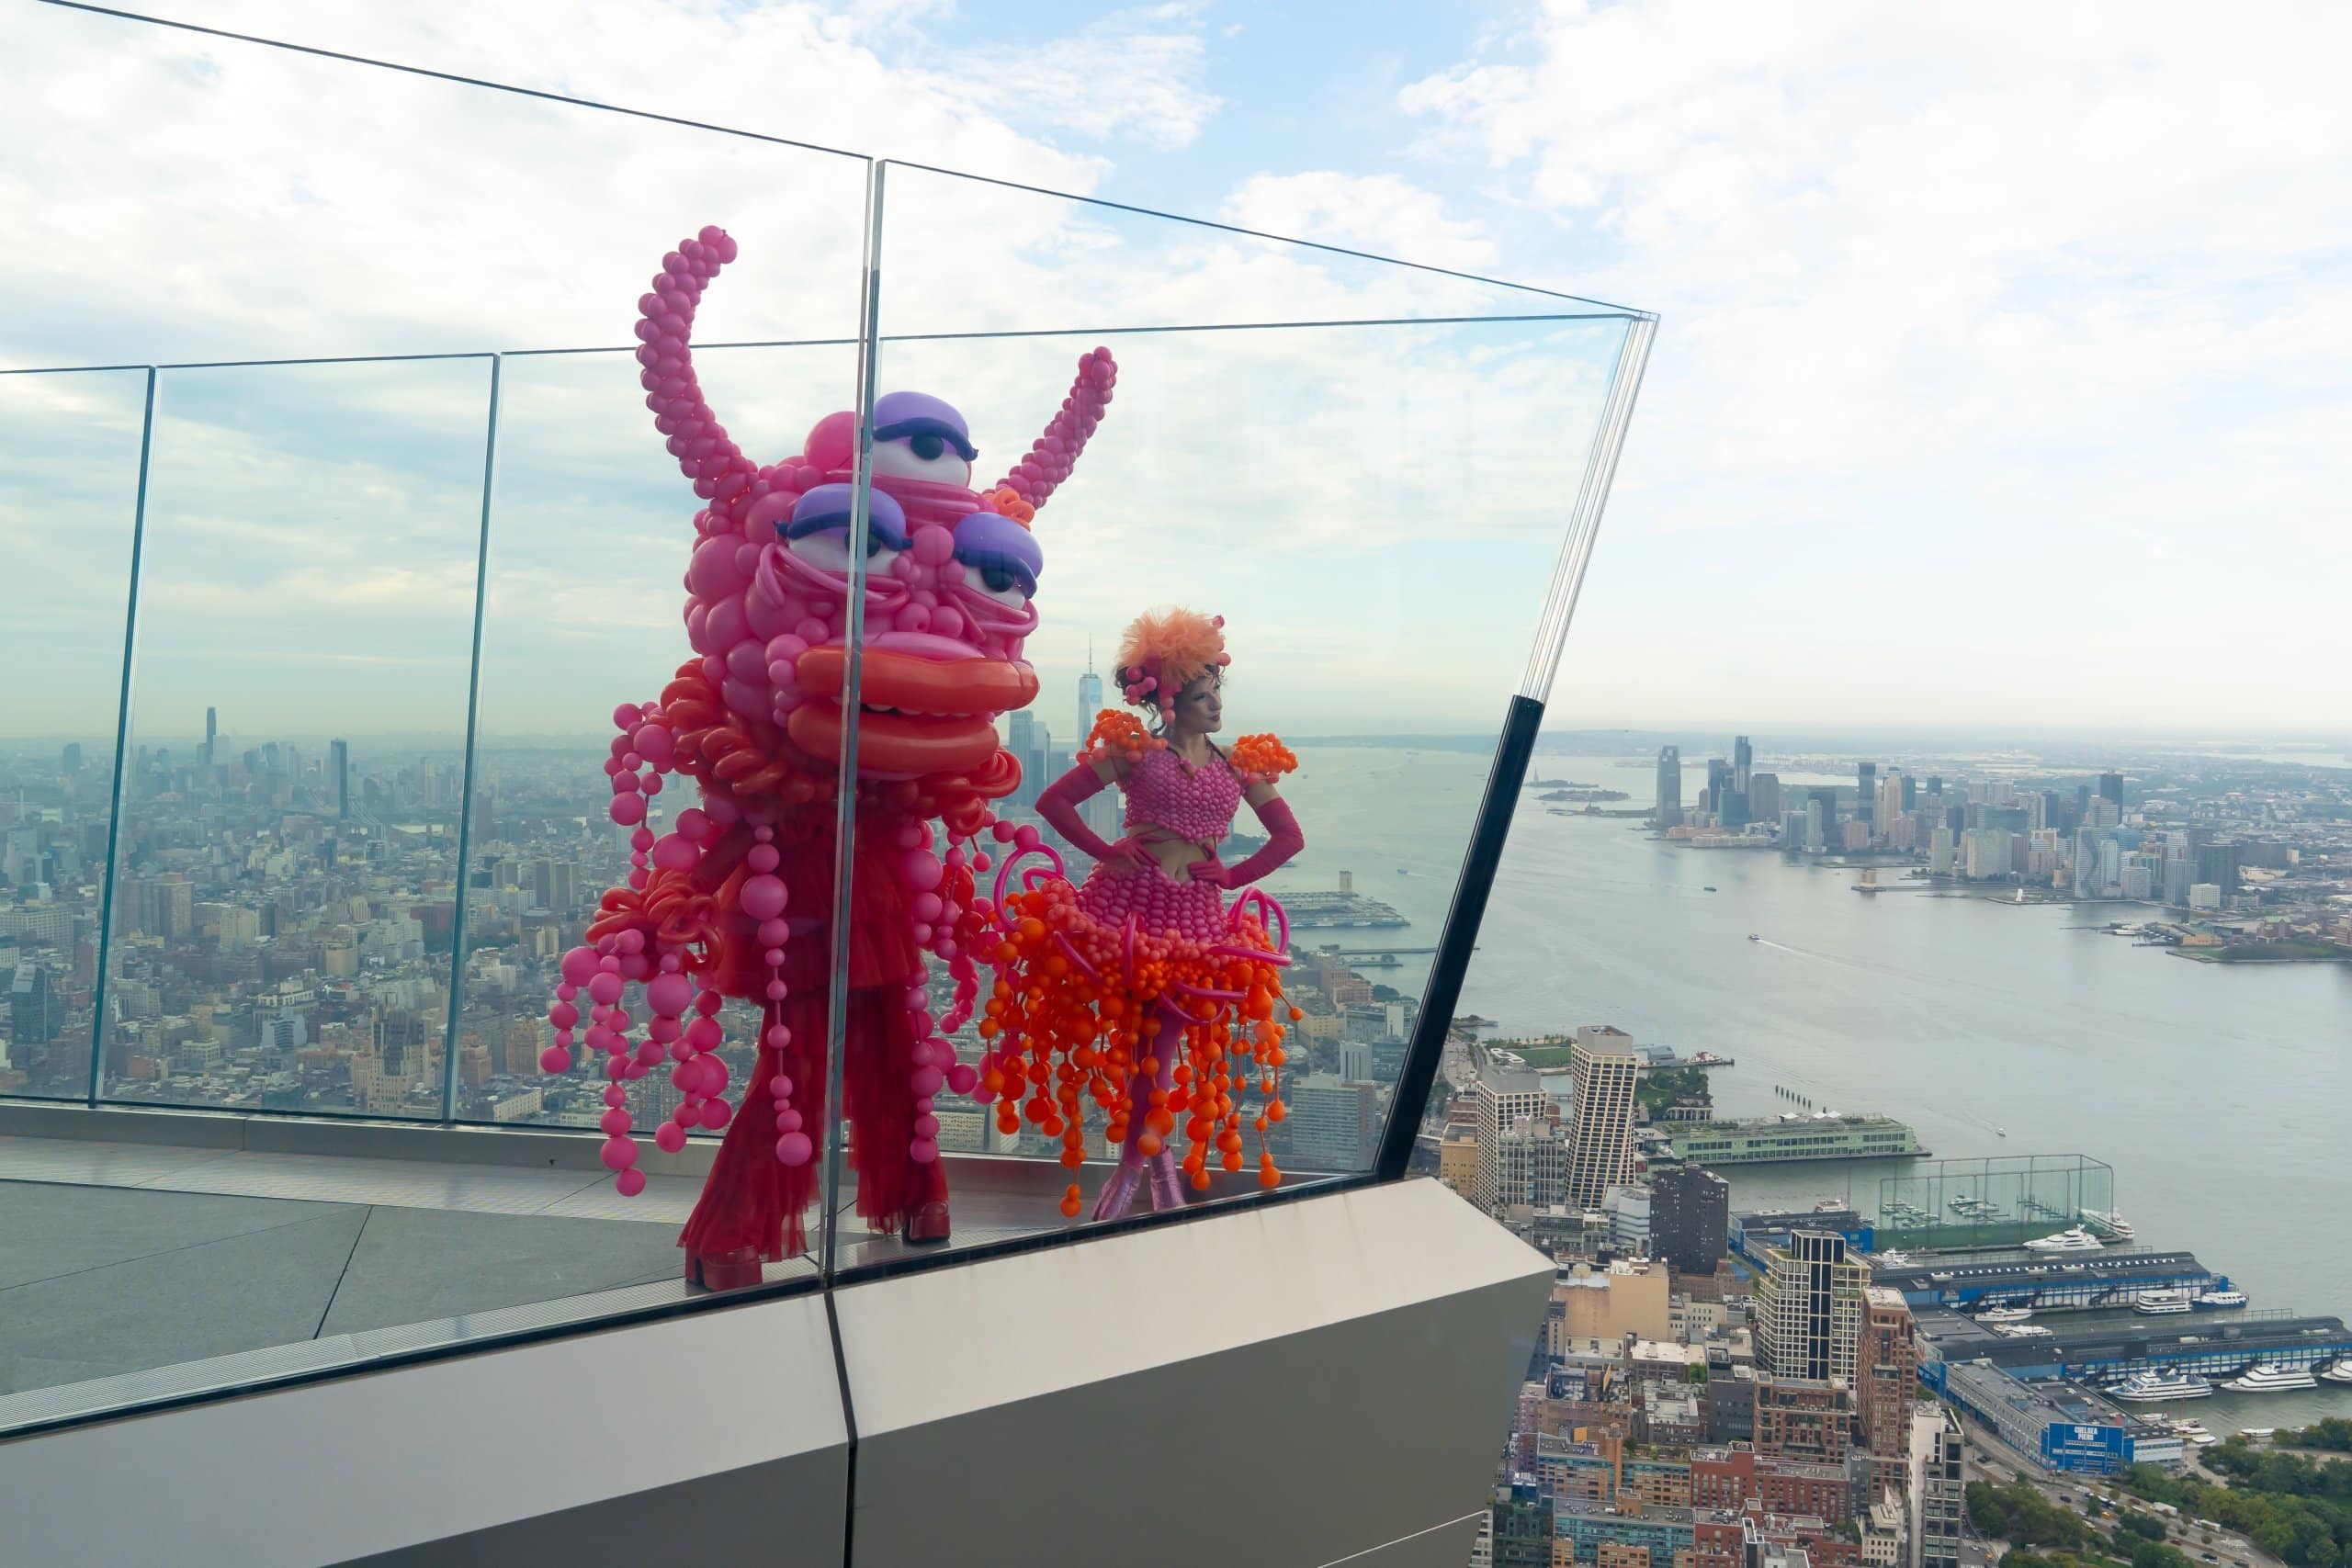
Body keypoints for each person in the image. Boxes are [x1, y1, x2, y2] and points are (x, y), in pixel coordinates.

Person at [977, 607, 1306, 1220]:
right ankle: (1151, 1172)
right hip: (1122, 913)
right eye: (1203, 696)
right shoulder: (1135, 752)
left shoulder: (1239, 764)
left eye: (1216, 692)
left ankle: (1138, 1171)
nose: (1216, 706)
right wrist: (1108, 851)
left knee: (1158, 1052)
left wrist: (1233, 876)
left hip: (1194, 922)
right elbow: (1054, 801)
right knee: (1143, 1056)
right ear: (1170, 701)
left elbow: (1289, 837)